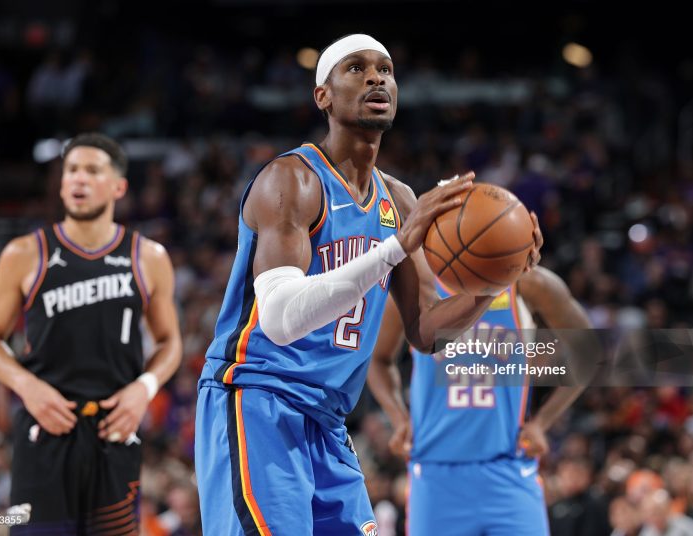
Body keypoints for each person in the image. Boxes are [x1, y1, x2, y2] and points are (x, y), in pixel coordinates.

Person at [194, 33, 543, 535]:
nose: (377, 77)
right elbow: (279, 319)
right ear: (324, 96)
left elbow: (425, 331)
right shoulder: (292, 181)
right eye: (357, 69)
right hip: (257, 400)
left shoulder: (398, 199)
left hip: (328, 420)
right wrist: (397, 247)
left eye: (386, 69)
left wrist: (490, 282)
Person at [0, 133, 182, 533]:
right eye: (71, 170)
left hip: (116, 433)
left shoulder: (148, 257)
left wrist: (144, 387)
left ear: (118, 186)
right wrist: (26, 386)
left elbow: (170, 342)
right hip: (44, 435)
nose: (78, 179)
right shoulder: (24, 254)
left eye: (92, 171)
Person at [367, 266, 593, 535]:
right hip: (434, 471)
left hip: (508, 466)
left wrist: (542, 423)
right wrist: (398, 418)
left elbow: (588, 352)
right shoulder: (417, 286)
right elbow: (377, 359)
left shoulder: (528, 282)